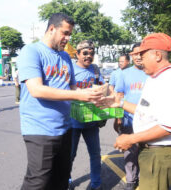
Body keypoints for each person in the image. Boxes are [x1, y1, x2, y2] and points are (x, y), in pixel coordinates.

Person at [17, 13, 103, 190]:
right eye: (64, 33)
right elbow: (36, 89)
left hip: (65, 128)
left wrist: (90, 93)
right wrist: (79, 96)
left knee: (61, 179)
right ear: (51, 29)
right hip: (40, 129)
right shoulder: (31, 51)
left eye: (70, 34)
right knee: (38, 182)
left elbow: (70, 87)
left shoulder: (64, 57)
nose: (67, 38)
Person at [100, 33, 171, 190]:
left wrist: (130, 139)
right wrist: (119, 103)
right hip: (151, 152)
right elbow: (145, 112)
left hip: (158, 154)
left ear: (157, 55)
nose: (139, 60)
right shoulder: (155, 78)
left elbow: (170, 126)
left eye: (142, 55)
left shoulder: (168, 82)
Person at [69, 40, 105, 190]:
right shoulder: (70, 69)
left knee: (96, 155)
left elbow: (102, 88)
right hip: (73, 121)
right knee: (70, 155)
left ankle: (96, 185)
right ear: (77, 54)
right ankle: (67, 181)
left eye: (91, 53)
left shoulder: (95, 69)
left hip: (91, 121)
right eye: (85, 53)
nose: (88, 56)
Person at [114, 44, 148, 190]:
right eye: (135, 54)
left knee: (146, 152)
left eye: (141, 53)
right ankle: (131, 180)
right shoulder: (124, 74)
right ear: (132, 56)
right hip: (129, 120)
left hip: (148, 121)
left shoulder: (152, 73)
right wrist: (118, 118)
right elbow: (119, 96)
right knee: (130, 152)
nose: (138, 57)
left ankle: (145, 179)